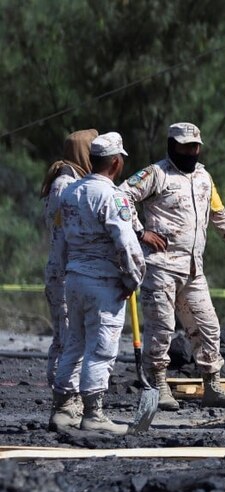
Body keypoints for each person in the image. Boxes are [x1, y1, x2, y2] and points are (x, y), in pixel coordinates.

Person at [121, 122, 225, 411]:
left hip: (193, 269)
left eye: (195, 146)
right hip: (160, 267)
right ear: (172, 145)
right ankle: (158, 385)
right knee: (161, 328)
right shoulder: (156, 174)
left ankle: (212, 386)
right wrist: (140, 232)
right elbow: (121, 196)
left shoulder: (204, 178)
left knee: (208, 327)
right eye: (185, 146)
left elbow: (220, 215)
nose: (191, 151)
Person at [50, 132, 145, 434]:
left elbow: (62, 240)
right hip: (103, 282)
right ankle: (94, 413)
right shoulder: (113, 196)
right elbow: (127, 244)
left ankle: (62, 408)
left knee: (73, 345)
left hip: (74, 278)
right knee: (101, 348)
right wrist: (132, 279)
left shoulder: (70, 192)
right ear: (116, 162)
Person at [41, 129, 98, 388]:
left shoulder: (70, 178)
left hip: (65, 268)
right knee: (68, 337)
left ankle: (60, 388)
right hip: (64, 269)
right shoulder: (65, 183)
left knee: (65, 336)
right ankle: (64, 394)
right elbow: (65, 229)